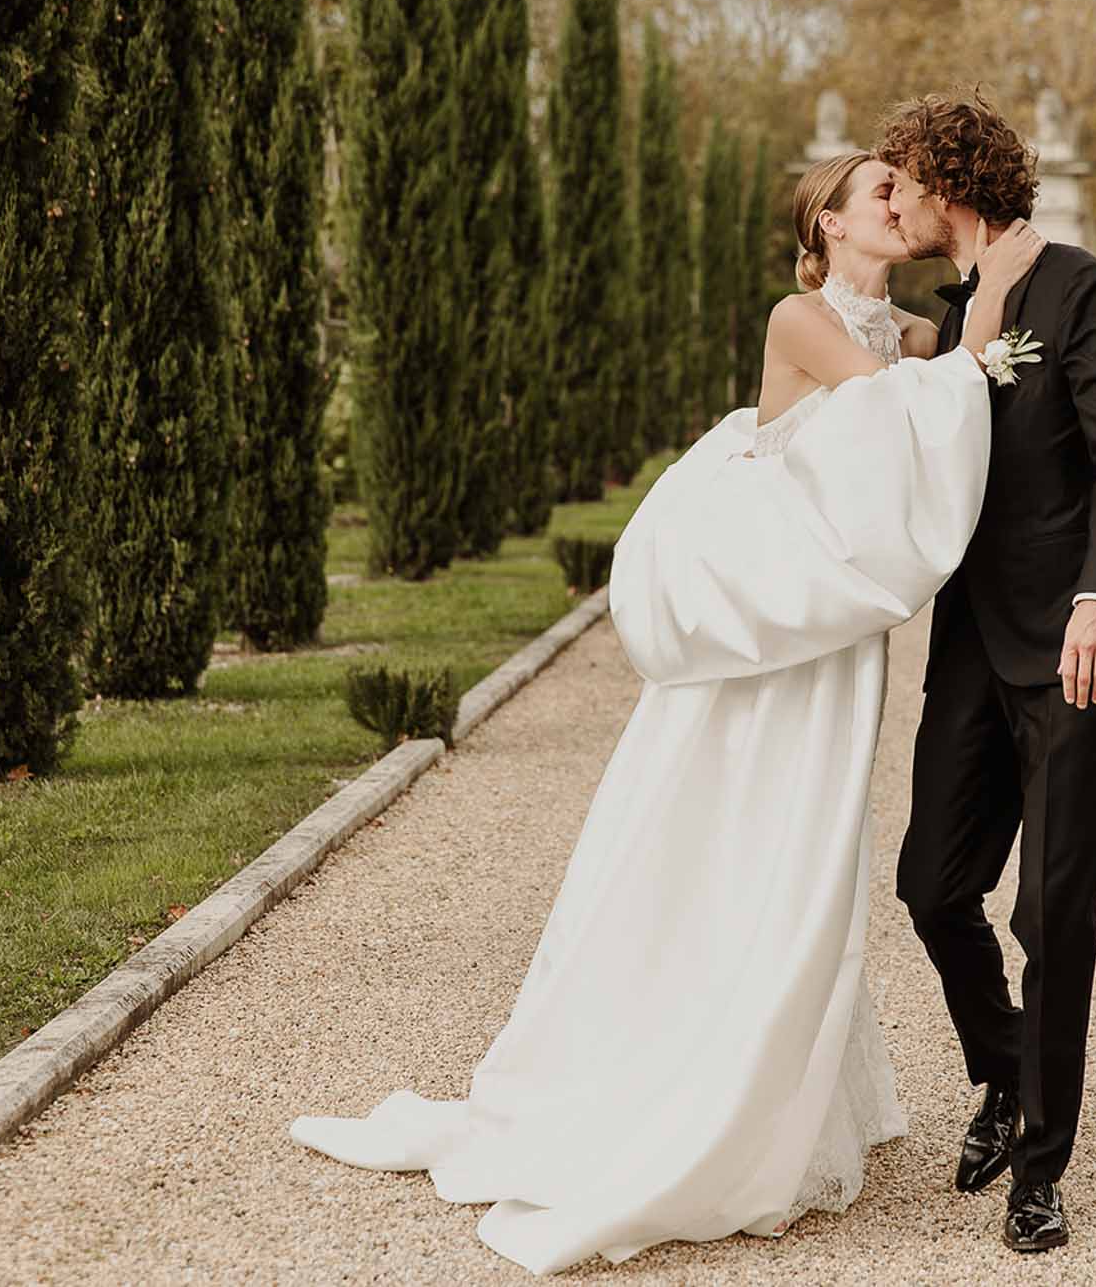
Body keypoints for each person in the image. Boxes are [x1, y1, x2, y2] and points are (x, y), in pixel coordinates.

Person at [287, 150, 1045, 1275]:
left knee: (807, 848)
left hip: (835, 635)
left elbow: (951, 419)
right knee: (725, 835)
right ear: (829, 226)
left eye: (904, 188)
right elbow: (901, 409)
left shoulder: (913, 332)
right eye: (880, 191)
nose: (902, 202)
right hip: (764, 638)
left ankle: (776, 1085)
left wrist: (981, 326)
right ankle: (680, 1080)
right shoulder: (802, 321)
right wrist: (995, 295)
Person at [877, 89, 1096, 1254]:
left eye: (901, 182)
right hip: (970, 639)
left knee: (1051, 910)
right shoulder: (953, 315)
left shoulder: (1078, 287)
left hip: (1073, 645)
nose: (893, 202)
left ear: (947, 185)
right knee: (929, 885)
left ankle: (1039, 1170)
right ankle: (1004, 1071)